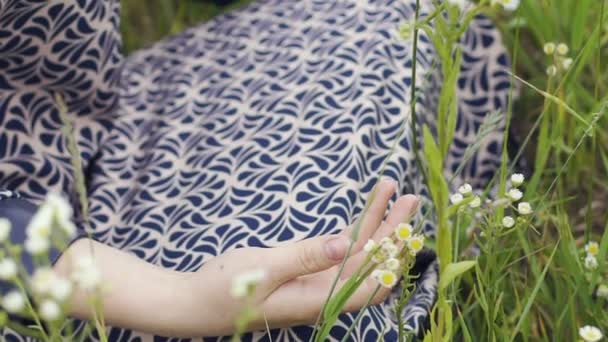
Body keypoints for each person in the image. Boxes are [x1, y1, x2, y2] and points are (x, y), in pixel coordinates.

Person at [0, 0, 512, 340]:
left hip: (103, 120)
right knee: (299, 296)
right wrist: (183, 300)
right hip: (45, 273)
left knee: (404, 12)